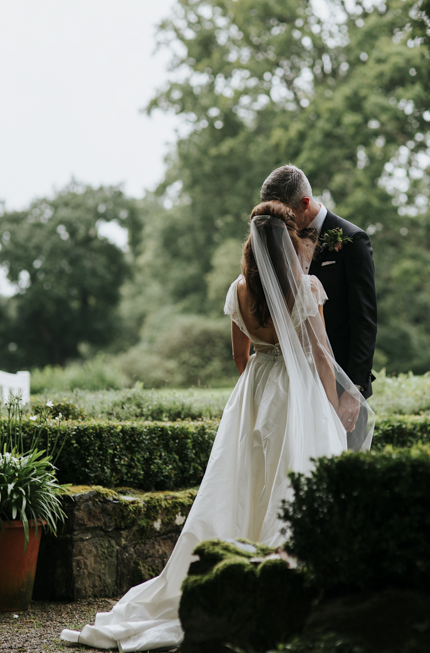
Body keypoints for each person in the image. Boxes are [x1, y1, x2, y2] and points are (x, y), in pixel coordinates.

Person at [61, 201, 374, 652]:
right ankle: (289, 588)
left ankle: (234, 575)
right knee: (293, 481)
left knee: (243, 482)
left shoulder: (241, 288)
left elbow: (239, 357)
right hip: (297, 390)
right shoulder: (306, 287)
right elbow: (323, 356)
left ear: (252, 243)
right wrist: (329, 404)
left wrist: (257, 384)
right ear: (287, 240)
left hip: (255, 388)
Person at [261, 165, 377, 432]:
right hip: (293, 384)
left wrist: (354, 389)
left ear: (304, 203)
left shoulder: (352, 240)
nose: (281, 224)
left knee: (343, 468)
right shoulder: (280, 239)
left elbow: (364, 320)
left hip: (340, 382)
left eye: (286, 215)